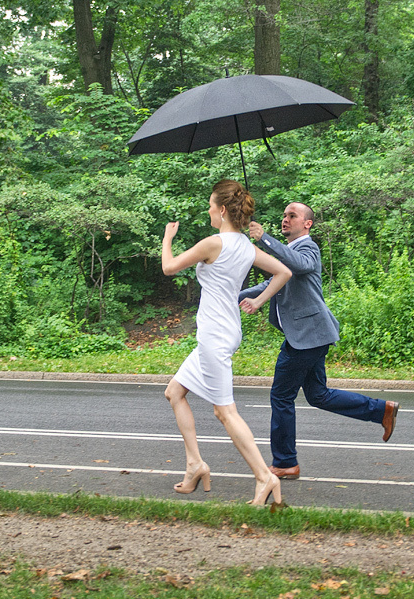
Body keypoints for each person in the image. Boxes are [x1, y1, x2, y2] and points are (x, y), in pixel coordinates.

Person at [238, 203, 399, 480]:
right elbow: (271, 284)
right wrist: (233, 293)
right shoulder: (288, 254)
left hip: (307, 336)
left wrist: (264, 238)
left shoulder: (307, 248)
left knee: (281, 396)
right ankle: (381, 410)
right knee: (318, 395)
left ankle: (286, 462)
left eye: (292, 216)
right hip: (310, 335)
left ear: (307, 224)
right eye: (284, 215)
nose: (285, 219)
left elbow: (298, 265)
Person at [162, 179, 293, 506]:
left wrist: (167, 238)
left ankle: (265, 477)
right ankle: (195, 464)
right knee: (174, 392)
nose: (208, 210)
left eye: (210, 205)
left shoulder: (213, 243)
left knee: (225, 412)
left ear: (222, 210)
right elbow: (283, 273)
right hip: (226, 330)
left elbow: (168, 267)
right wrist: (259, 302)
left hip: (214, 337)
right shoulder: (247, 248)